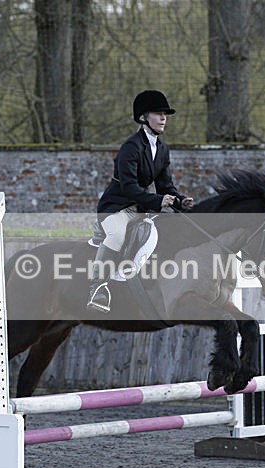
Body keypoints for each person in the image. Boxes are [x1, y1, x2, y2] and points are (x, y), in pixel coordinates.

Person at [87, 89, 194, 313]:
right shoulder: (131, 147)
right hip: (116, 208)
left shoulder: (162, 149)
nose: (164, 117)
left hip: (140, 207)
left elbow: (166, 187)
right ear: (144, 117)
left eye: (165, 114)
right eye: (158, 113)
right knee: (117, 234)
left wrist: (180, 201)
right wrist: (158, 200)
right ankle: (97, 288)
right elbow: (129, 187)